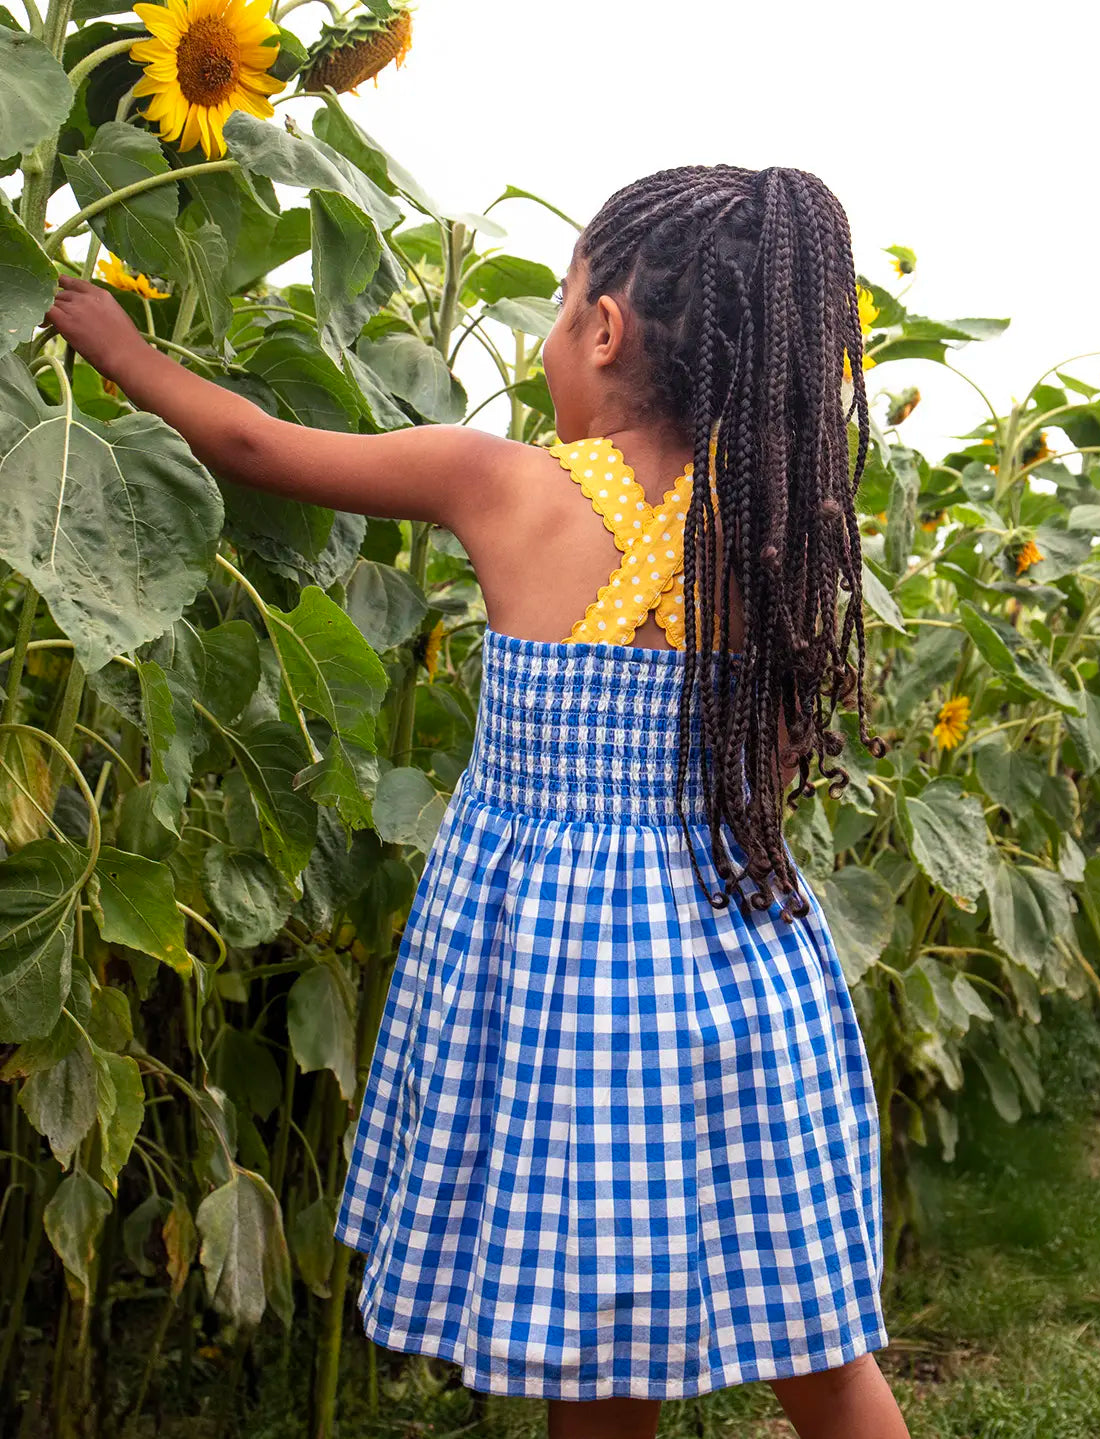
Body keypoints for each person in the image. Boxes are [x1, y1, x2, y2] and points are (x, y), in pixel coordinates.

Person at [42, 163, 910, 1438]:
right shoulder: (763, 529)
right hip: (734, 964)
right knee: (820, 1343)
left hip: (564, 980)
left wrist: (117, 348)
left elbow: (251, 445)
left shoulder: (504, 481)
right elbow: (762, 761)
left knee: (591, 1335)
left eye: (561, 307)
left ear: (603, 330)